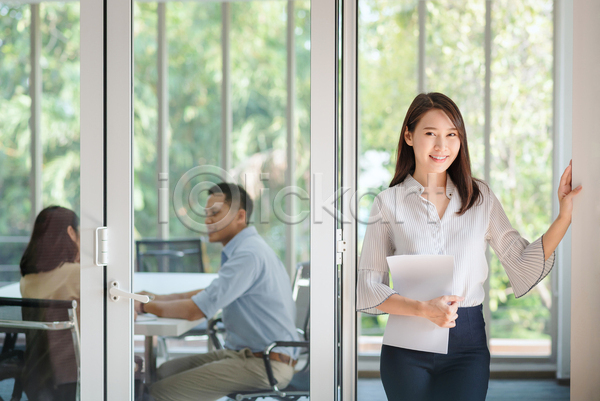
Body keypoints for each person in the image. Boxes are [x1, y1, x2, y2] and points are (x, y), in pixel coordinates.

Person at [356, 92, 582, 401]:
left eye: (452, 135)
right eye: (430, 134)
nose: (442, 146)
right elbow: (368, 286)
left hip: (467, 347)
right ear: (408, 135)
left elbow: (519, 258)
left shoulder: (481, 197)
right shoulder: (388, 203)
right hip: (405, 350)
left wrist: (564, 217)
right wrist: (424, 309)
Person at [136, 183, 299, 401]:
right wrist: (155, 298)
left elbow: (195, 310)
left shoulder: (248, 254)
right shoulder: (247, 247)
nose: (207, 221)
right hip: (248, 355)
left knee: (158, 392)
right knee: (161, 372)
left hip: (266, 364)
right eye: (206, 214)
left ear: (240, 216)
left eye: (215, 214)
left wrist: (143, 306)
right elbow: (208, 293)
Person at [19, 206, 81, 401]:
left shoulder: (27, 280)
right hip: (75, 379)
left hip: (38, 380)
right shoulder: (76, 274)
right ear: (71, 232)